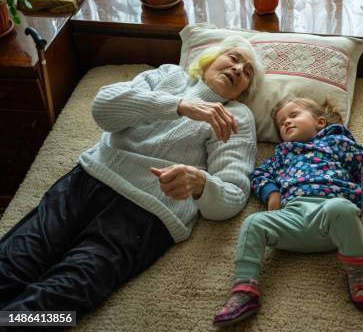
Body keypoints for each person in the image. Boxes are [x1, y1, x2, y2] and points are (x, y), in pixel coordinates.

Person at [0, 35, 264, 318]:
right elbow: (103, 109)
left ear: (244, 91)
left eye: (247, 72)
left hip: (146, 215)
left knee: (61, 296)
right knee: (11, 263)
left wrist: (201, 183)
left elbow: (233, 195)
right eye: (234, 58)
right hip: (89, 180)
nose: (238, 69)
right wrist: (178, 105)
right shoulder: (170, 75)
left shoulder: (237, 117)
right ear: (210, 60)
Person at [213, 97, 363, 327]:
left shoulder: (337, 142)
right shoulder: (282, 153)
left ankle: (358, 275)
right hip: (293, 218)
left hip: (330, 217)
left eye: (293, 115)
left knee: (342, 209)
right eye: (281, 122)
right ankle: (244, 288)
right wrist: (272, 193)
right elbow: (260, 174)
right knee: (254, 222)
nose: (286, 123)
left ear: (320, 122)